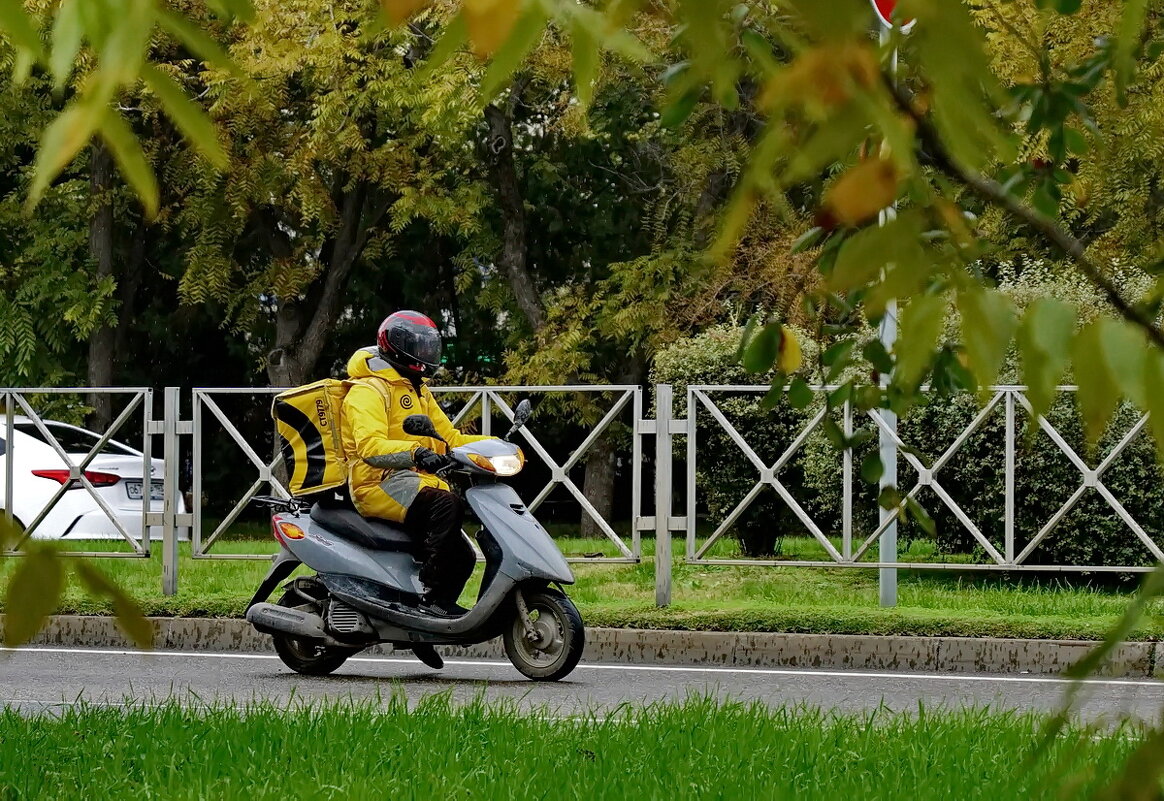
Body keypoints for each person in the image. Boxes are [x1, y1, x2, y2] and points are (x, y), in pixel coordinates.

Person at [340, 311, 494, 624]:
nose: (427, 354)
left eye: (430, 347)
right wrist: (416, 453)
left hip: (412, 480)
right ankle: (430, 599)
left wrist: (494, 447)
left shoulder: (416, 388)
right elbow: (369, 447)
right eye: (420, 347)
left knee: (463, 557)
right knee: (445, 504)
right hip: (376, 483)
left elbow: (447, 438)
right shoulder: (368, 390)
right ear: (398, 348)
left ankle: (430, 621)